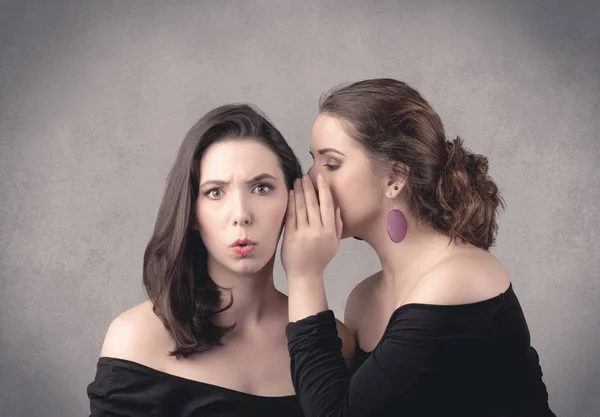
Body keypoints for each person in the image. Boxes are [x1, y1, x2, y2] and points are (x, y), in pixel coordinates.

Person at [281, 78, 556, 416]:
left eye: (331, 163)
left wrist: (304, 275)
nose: (311, 180)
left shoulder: (460, 279)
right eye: (314, 161)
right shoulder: (363, 300)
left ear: (396, 178)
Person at [86, 103, 353, 417]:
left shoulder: (334, 342)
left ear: (293, 202)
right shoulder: (137, 337)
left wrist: (306, 274)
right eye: (215, 192)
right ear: (193, 213)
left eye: (262, 188)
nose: (241, 214)